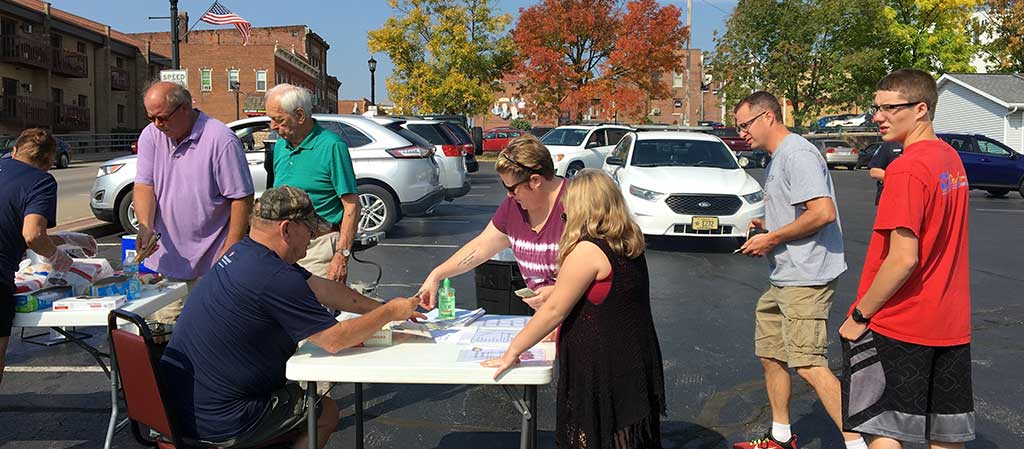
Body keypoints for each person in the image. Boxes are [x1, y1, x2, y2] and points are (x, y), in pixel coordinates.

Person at [160, 186, 424, 449]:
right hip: (223, 420)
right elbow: (334, 340)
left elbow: (324, 288)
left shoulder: (243, 252)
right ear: (286, 229)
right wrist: (389, 313)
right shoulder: (274, 277)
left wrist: (381, 306)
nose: (312, 237)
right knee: (325, 412)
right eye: (309, 229)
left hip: (178, 409)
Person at [839, 69, 974, 449]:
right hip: (949, 324)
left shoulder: (906, 169)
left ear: (920, 109)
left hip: (901, 323)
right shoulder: (951, 160)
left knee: (884, 428)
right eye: (875, 108)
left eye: (888, 108)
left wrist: (859, 316)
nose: (877, 117)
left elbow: (902, 259)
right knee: (946, 433)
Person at [483, 169, 665, 449]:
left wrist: (513, 351)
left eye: (567, 210)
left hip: (601, 364)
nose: (563, 214)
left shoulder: (587, 250)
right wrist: (557, 289)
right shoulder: (627, 240)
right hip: (632, 354)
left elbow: (554, 311)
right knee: (623, 435)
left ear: (581, 208)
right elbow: (610, 290)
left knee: (592, 433)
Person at [734, 92, 866, 449]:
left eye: (745, 124)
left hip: (807, 277)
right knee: (771, 354)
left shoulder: (797, 154)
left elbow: (823, 212)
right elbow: (799, 210)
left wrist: (772, 237)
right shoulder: (777, 158)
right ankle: (780, 437)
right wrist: (769, 222)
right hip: (784, 276)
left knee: (808, 363)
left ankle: (857, 444)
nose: (741, 132)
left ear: (768, 117)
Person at [135, 81, 255, 323]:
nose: (157, 125)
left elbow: (241, 197)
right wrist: (145, 226)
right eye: (151, 118)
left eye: (163, 118)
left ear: (185, 108)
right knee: (165, 337)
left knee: (212, 335)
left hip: (212, 264)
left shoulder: (221, 139)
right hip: (169, 264)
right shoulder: (150, 135)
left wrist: (230, 249)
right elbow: (145, 185)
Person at [417, 134, 566, 310]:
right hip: (546, 320)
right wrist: (437, 275)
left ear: (535, 181)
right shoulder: (514, 207)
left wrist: (560, 292)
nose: (509, 195)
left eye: (511, 188)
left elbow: (601, 272)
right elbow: (481, 247)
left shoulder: (582, 204)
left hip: (581, 321)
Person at [0, 128, 96, 385]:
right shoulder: (40, 181)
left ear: (14, 151)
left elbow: (16, 229)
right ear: (47, 163)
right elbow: (32, 235)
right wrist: (57, 257)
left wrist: (68, 239)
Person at [265, 83, 360, 282]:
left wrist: (341, 256)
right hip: (283, 248)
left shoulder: (332, 146)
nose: (272, 126)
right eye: (271, 120)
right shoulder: (281, 145)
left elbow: (351, 206)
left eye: (278, 120)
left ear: (300, 116)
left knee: (313, 309)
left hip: (318, 246)